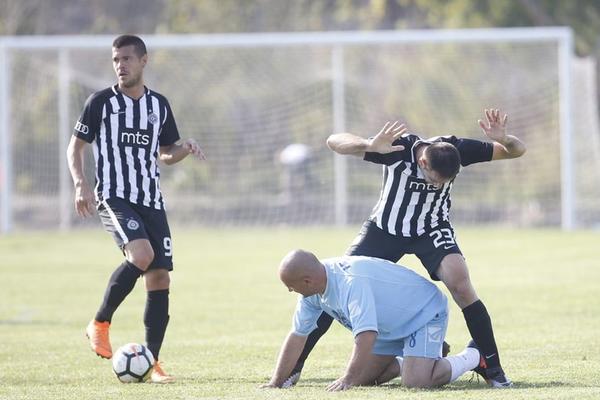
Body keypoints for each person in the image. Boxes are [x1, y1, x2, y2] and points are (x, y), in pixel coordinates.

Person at [286, 109, 526, 388]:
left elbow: (516, 151)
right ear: (423, 161)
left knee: (461, 284)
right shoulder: (397, 149)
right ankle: (294, 367)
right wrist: (367, 145)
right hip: (385, 230)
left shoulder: (456, 150)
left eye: (444, 183)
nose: (438, 185)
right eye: (434, 179)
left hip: (432, 229)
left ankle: (491, 366)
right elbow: (333, 141)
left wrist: (505, 139)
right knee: (334, 285)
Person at [66, 34, 205, 383]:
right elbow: (76, 148)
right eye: (116, 60)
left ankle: (153, 362)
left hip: (151, 201)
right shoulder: (100, 102)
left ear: (144, 61)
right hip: (115, 196)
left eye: (127, 59)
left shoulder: (159, 105)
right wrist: (81, 183)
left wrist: (184, 148)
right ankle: (99, 322)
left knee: (159, 277)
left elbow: (166, 153)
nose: (121, 65)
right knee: (141, 254)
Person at [263, 250, 482, 391]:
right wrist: (276, 382)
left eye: (290, 286)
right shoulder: (312, 292)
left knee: (417, 382)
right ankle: (417, 357)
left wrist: (347, 378)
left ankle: (473, 355)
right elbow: (297, 336)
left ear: (307, 280)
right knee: (363, 380)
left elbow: (366, 335)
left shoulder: (350, 282)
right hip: (388, 327)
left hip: (424, 312)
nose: (291, 291)